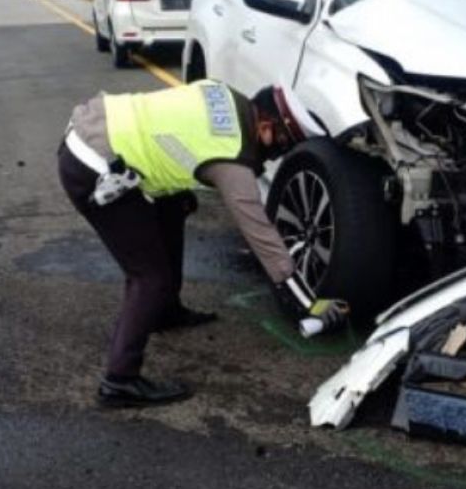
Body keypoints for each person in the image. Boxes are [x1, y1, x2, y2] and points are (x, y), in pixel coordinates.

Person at [58, 79, 348, 407]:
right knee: (148, 277)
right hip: (94, 168)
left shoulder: (224, 93)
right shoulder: (231, 156)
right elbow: (262, 236)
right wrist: (307, 305)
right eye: (281, 144)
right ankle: (119, 381)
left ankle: (165, 312)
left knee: (174, 208)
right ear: (266, 127)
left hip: (96, 129)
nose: (276, 154)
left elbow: (175, 135)